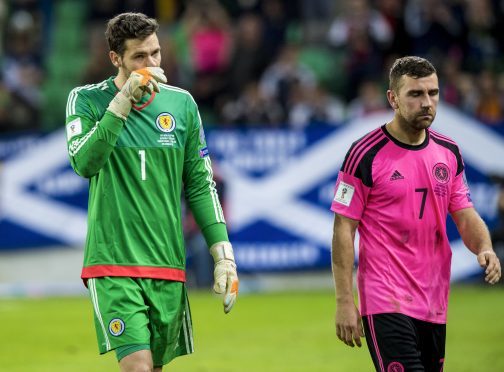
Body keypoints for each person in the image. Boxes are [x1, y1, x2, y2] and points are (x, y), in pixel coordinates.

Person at [64, 12, 239, 371]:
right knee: (138, 366)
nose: (152, 63)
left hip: (167, 263)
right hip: (113, 264)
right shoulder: (86, 101)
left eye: (155, 53)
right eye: (139, 57)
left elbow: (200, 184)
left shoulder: (182, 105)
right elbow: (84, 162)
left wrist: (223, 253)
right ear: (116, 59)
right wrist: (121, 103)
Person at [330, 56, 501, 371]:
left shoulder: (448, 153)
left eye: (433, 93)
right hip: (385, 299)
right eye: (416, 94)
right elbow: (344, 228)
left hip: (434, 299)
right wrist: (344, 300)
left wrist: (485, 247)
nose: (427, 103)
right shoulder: (364, 154)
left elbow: (464, 213)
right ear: (393, 99)